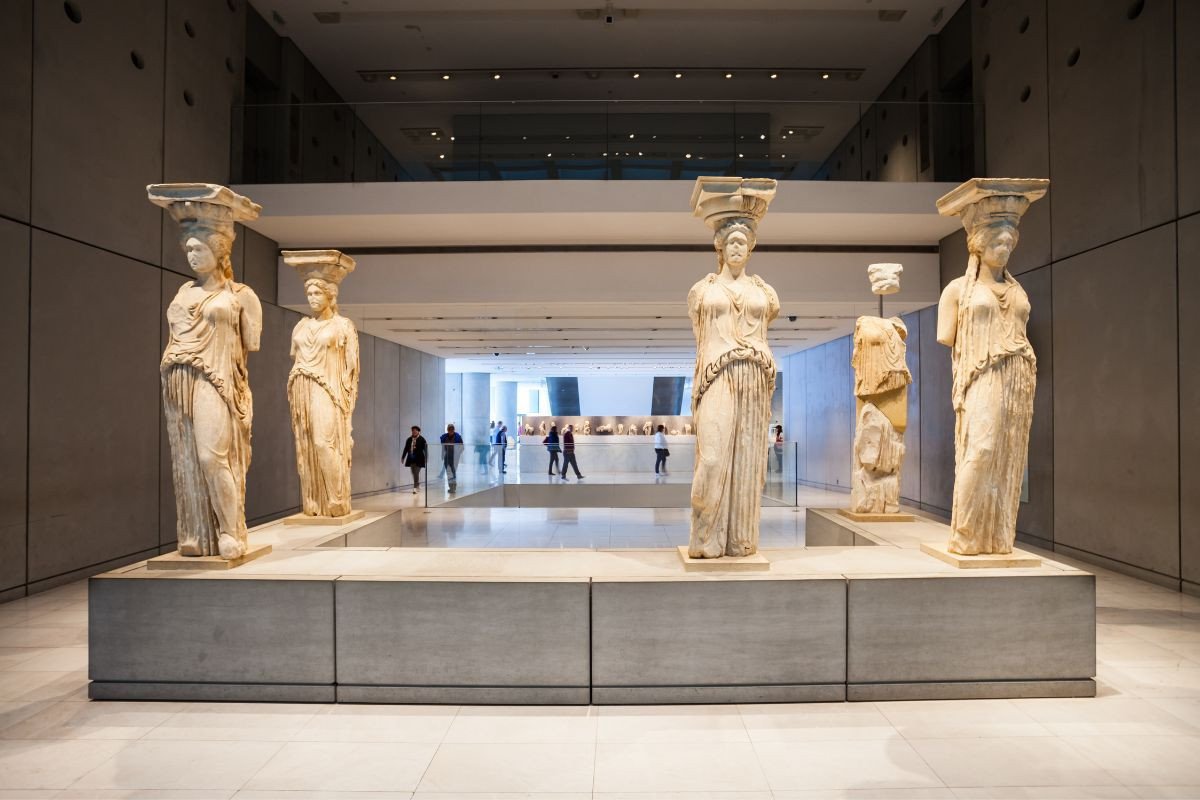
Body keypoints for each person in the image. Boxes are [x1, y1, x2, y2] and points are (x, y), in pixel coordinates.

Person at [152, 184, 262, 561]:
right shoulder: (183, 293)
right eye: (188, 249)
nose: (191, 255)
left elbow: (249, 346)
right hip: (178, 379)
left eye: (199, 248)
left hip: (217, 380)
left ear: (219, 250)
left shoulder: (241, 296)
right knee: (185, 458)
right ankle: (197, 533)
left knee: (211, 457)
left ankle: (231, 530)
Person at [936, 179, 1045, 555]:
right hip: (980, 374)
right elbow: (947, 336)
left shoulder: (1018, 291)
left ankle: (997, 536)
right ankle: (965, 534)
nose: (1005, 247)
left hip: (1017, 374)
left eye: (1010, 242)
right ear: (978, 243)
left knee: (1008, 455)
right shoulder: (956, 291)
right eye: (998, 240)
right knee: (980, 449)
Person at [687, 178, 779, 558]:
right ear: (720, 247)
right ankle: (705, 537)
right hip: (717, 376)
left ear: (751, 247)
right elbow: (701, 341)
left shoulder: (766, 293)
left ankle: (740, 539)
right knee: (711, 460)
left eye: (744, 241)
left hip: (755, 376)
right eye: (731, 242)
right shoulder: (701, 291)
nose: (738, 247)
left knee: (747, 464)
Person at [285, 253, 359, 519]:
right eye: (310, 293)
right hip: (301, 387)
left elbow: (351, 371)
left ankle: (336, 497)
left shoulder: (343, 326)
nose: (313, 298)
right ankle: (314, 500)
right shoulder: (301, 327)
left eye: (318, 293)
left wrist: (347, 406)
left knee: (323, 442)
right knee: (305, 444)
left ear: (330, 295)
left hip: (329, 390)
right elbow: (296, 357)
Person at [401, 426, 427, 494]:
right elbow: (406, 449)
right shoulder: (409, 439)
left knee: (416, 472)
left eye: (415, 430)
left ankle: (415, 488)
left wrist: (426, 458)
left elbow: (426, 449)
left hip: (419, 459)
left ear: (418, 431)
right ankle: (417, 484)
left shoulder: (422, 439)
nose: (414, 432)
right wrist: (403, 457)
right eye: (413, 430)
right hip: (411, 458)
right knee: (413, 473)